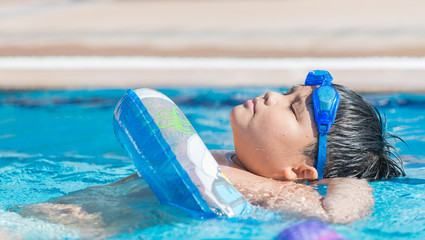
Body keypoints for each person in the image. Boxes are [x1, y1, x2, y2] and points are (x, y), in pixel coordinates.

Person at [13, 71, 405, 238]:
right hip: (38, 218)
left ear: (300, 169)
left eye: (290, 107)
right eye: (287, 92)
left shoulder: (290, 194)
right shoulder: (219, 160)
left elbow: (341, 214)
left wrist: (344, 177)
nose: (272, 95)